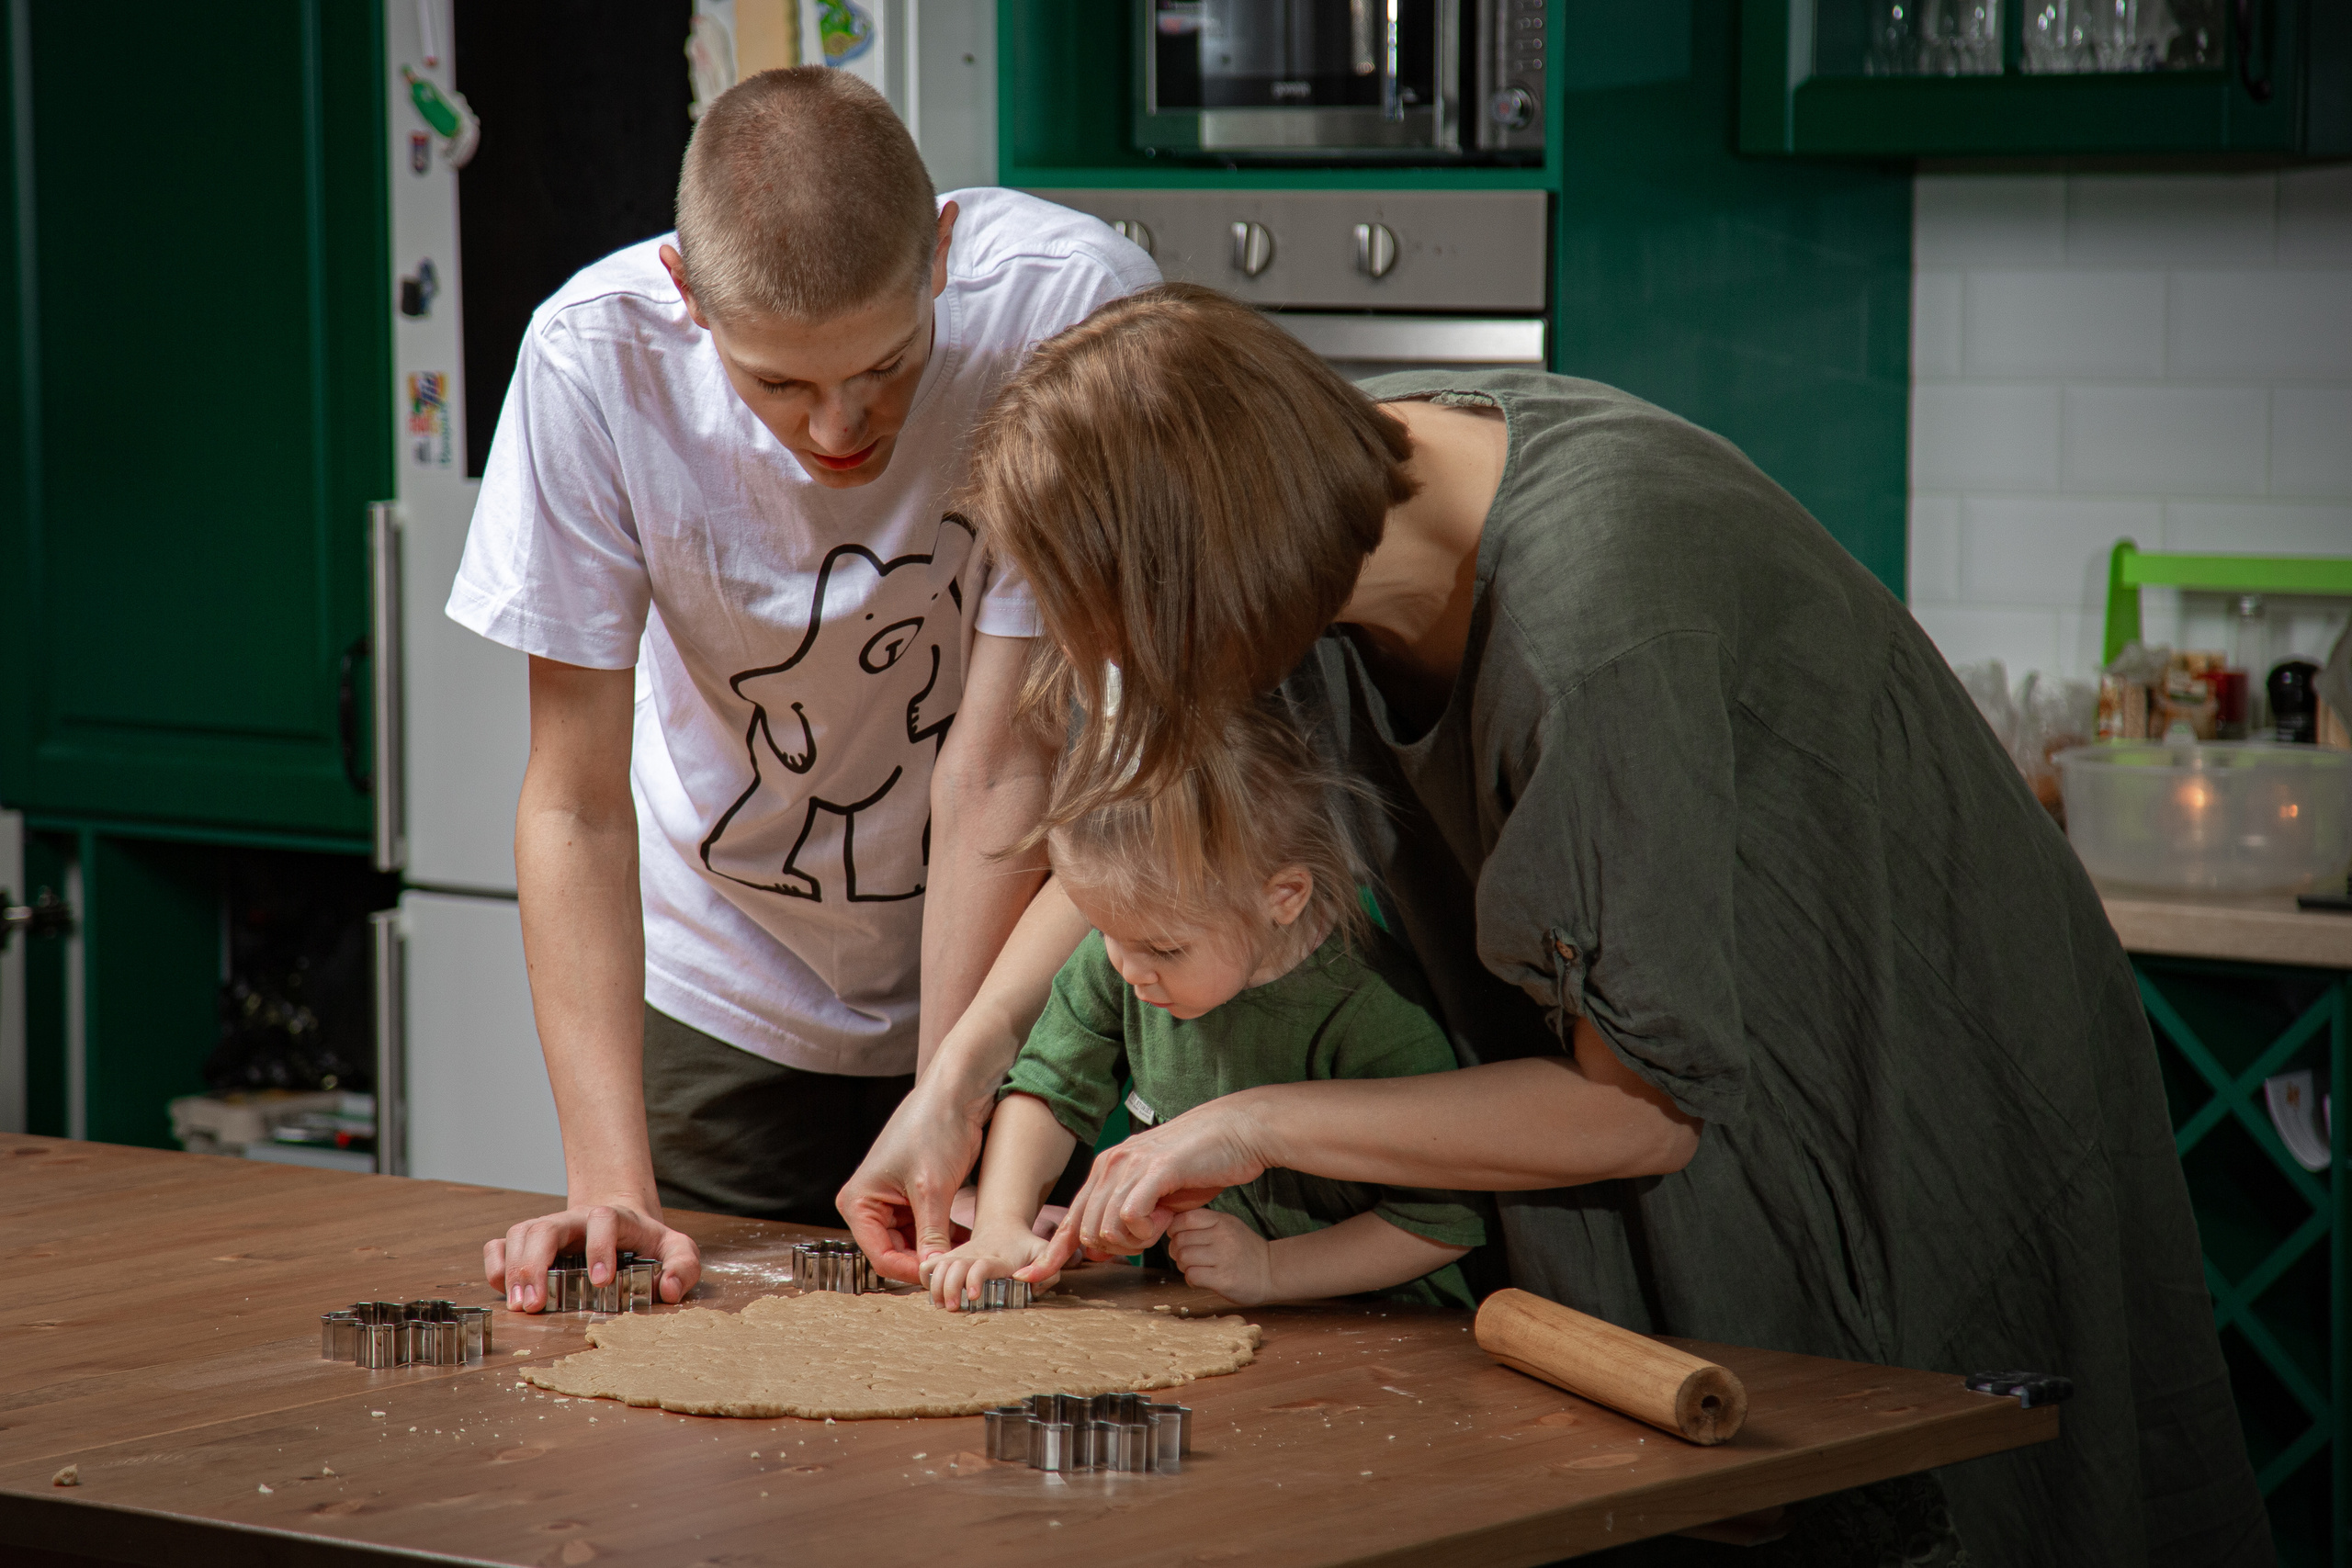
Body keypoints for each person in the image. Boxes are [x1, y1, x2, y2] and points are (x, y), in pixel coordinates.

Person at [839, 285, 2269, 1564]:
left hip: (1914, 1059)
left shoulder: (1598, 635)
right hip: (1650, 1067)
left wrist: (1252, 1120)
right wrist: (961, 1072)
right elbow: (1149, 851)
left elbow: (1643, 1111)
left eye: (1127, 643)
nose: (1116, 675)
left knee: (1905, 1468)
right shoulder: (1320, 492)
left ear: (1226, 593)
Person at [445, 68, 1155, 1314]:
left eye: (887, 366)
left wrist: (952, 1106)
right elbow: (576, 800)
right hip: (726, 983)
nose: (839, 426)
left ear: (940, 251)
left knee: (1015, 1404)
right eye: (777, 384)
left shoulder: (1071, 306)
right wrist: (610, 1185)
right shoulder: (591, 360)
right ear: (684, 293)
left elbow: (999, 765)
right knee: (709, 1435)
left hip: (1028, 974)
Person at [922, 702, 1485, 1313]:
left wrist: (1273, 1268)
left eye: (1163, 946)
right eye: (1103, 929)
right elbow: (1050, 1087)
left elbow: (1444, 1220)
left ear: (1284, 896)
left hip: (1389, 1338)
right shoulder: (1125, 956)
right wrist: (1001, 1223)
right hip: (1206, 1318)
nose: (1126, 967)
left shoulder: (1376, 1015)